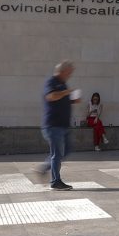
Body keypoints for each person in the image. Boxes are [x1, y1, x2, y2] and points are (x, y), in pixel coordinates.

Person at [41, 61, 80, 190]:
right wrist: (65, 92)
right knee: (57, 154)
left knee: (66, 150)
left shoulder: (63, 84)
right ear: (62, 71)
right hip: (53, 125)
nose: (70, 75)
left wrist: (73, 100)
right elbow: (51, 96)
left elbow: (62, 100)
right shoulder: (51, 82)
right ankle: (55, 182)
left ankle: (44, 167)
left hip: (63, 126)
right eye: (69, 72)